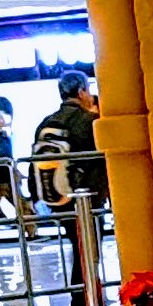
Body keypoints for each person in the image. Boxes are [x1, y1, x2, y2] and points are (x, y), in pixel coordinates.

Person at [29, 71, 106, 207]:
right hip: (86, 196)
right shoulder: (89, 121)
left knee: (69, 227)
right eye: (88, 90)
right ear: (81, 92)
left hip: (55, 196)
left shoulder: (46, 123)